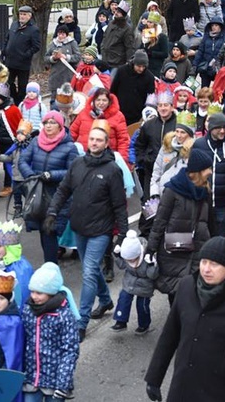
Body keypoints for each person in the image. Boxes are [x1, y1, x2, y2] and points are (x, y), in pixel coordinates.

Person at [144, 237, 225, 402]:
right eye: (204, 262)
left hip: (220, 392)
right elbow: (170, 334)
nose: (206, 269)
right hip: (183, 387)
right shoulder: (186, 286)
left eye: (214, 264)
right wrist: (154, 377)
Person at [43, 121, 128, 340]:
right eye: (92, 139)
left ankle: (81, 321)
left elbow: (119, 205)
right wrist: (52, 212)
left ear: (107, 143)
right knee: (91, 269)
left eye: (99, 140)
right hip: (79, 226)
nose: (94, 143)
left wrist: (123, 234)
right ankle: (106, 300)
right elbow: (63, 190)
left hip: (101, 230)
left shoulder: (112, 170)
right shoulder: (78, 164)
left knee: (89, 270)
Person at [145, 148, 212, 305]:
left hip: (198, 247)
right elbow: (159, 221)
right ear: (198, 171)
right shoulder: (172, 191)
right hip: (174, 251)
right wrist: (151, 249)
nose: (210, 171)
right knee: (176, 292)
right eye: (207, 168)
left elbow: (211, 222)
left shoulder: (206, 190)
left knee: (195, 293)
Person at [18, 111, 78, 263]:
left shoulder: (70, 147)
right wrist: (31, 176)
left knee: (49, 230)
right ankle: (50, 266)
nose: (48, 126)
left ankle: (51, 269)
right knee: (43, 232)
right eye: (46, 123)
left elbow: (72, 172)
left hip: (57, 196)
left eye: (52, 123)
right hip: (37, 193)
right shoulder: (36, 141)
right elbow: (23, 160)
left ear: (60, 126)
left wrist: (52, 175)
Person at [22, 262, 80, 400]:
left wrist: (63, 384)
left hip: (55, 382)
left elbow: (70, 351)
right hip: (31, 379)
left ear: (51, 293)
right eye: (32, 291)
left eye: (39, 293)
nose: (34, 296)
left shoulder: (64, 316)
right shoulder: (28, 309)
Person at [110, 230, 158, 334]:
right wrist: (116, 255)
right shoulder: (126, 255)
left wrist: (151, 265)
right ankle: (120, 321)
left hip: (145, 285)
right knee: (123, 298)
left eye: (132, 259)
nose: (130, 261)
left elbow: (152, 275)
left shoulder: (147, 255)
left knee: (142, 305)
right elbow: (122, 265)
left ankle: (144, 325)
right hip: (129, 282)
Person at [134, 90, 177, 201]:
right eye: (160, 105)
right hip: (151, 171)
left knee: (168, 205)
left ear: (172, 107)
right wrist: (143, 160)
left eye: (166, 105)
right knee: (149, 205)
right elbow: (139, 145)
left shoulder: (178, 125)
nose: (163, 108)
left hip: (172, 171)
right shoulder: (149, 125)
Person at [71, 88, 130, 163]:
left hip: (108, 159)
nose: (101, 103)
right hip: (84, 157)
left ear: (109, 102)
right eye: (98, 100)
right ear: (94, 101)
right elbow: (72, 133)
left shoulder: (118, 116)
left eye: (104, 100)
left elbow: (123, 140)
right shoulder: (84, 113)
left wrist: (122, 160)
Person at [0, 82, 22, 198]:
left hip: (9, 143)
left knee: (8, 163)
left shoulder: (13, 110)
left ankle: (8, 186)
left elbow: (19, 125)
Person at [3, 5, 41, 105]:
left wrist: (25, 55)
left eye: (24, 14)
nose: (22, 16)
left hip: (22, 64)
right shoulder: (14, 25)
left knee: (22, 86)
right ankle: (14, 100)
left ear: (29, 16)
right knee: (8, 83)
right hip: (10, 61)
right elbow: (7, 38)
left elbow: (36, 46)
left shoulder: (33, 29)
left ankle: (21, 103)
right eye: (20, 14)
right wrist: (5, 50)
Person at [110, 49, 158, 124]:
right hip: (120, 110)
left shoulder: (149, 77)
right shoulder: (122, 71)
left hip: (137, 114)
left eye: (143, 66)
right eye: (139, 66)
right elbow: (113, 90)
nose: (141, 69)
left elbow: (150, 98)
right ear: (134, 63)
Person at [149, 123, 194, 198]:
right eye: (177, 131)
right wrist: (154, 192)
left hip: (182, 196)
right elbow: (157, 170)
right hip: (162, 193)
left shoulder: (194, 151)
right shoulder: (166, 147)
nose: (179, 135)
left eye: (183, 132)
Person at [45, 24, 81, 100]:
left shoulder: (72, 43)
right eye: (59, 33)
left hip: (69, 75)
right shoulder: (53, 44)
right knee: (54, 99)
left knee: (68, 98)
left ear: (66, 34)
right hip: (55, 76)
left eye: (63, 34)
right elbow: (46, 58)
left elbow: (78, 56)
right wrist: (53, 58)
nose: (61, 36)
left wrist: (66, 57)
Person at [193, 16, 225, 88]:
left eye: (216, 25)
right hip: (206, 66)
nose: (214, 27)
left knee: (219, 89)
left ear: (220, 27)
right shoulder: (206, 37)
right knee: (204, 88)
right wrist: (195, 64)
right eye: (212, 25)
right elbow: (200, 51)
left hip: (219, 67)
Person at [101, 0, 136, 68]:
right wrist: (102, 48)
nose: (116, 13)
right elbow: (105, 38)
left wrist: (128, 64)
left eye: (119, 12)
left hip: (117, 63)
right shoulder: (111, 23)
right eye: (116, 11)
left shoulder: (127, 29)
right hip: (105, 59)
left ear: (123, 15)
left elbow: (130, 48)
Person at [140, 10, 170, 78]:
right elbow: (141, 47)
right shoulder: (146, 34)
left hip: (155, 67)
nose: (149, 24)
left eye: (151, 22)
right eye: (148, 22)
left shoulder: (162, 37)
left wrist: (152, 53)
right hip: (145, 65)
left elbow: (165, 53)